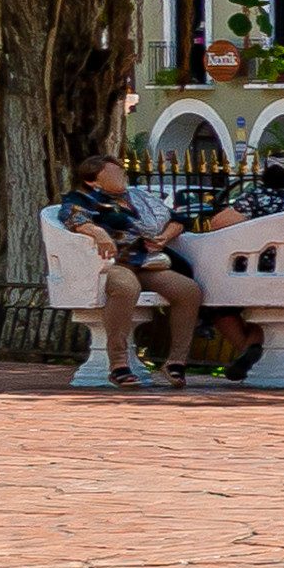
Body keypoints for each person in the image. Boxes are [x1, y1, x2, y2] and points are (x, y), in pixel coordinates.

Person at [60, 153, 204, 390]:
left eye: (121, 171)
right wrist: (99, 233)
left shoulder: (139, 196)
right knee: (127, 288)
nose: (121, 176)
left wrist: (164, 238)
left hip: (147, 261)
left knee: (188, 290)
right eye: (113, 173)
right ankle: (118, 365)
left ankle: (176, 362)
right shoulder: (83, 198)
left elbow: (178, 219)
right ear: (93, 181)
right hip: (111, 264)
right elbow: (75, 218)